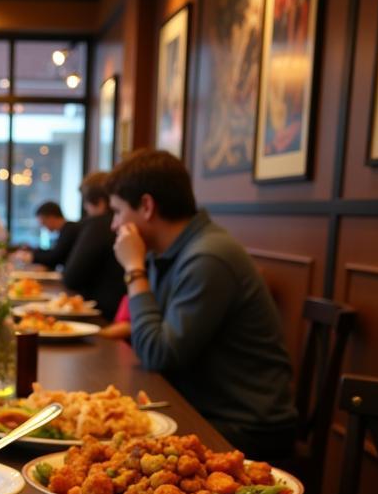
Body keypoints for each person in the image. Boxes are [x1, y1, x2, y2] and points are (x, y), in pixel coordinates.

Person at [108, 148, 297, 458]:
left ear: (146, 206)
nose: (114, 225)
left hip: (241, 429)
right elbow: (151, 342)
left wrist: (134, 270)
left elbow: (159, 354)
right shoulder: (171, 253)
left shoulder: (208, 257)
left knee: (115, 457)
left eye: (117, 212)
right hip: (197, 409)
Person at [61, 171, 125, 321]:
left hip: (104, 316)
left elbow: (72, 278)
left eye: (86, 202)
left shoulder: (99, 226)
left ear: (101, 202)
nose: (115, 224)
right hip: (118, 316)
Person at [29, 201, 79, 269]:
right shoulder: (66, 229)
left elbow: (56, 257)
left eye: (44, 223)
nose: (44, 227)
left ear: (51, 217)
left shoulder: (70, 230)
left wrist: (31, 257)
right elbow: (55, 252)